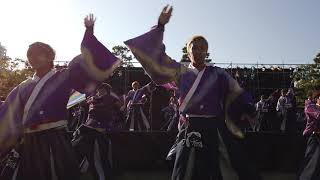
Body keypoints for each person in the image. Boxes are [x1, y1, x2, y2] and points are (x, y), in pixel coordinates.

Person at [124, 5, 261, 180]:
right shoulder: (179, 71)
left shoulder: (218, 73)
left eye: (201, 48)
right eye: (193, 47)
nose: (197, 51)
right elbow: (156, 58)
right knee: (184, 172)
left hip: (214, 128)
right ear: (188, 51)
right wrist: (160, 26)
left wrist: (248, 107)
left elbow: (236, 91)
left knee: (218, 170)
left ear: (206, 51)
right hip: (189, 128)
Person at [0, 14, 120, 180]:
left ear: (50, 57)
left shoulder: (64, 76)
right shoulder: (22, 87)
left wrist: (89, 32)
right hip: (28, 143)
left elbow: (88, 61)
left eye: (37, 53)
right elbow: (6, 113)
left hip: (54, 140)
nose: (32, 57)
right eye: (30, 54)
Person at [72, 83, 123, 180]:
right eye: (99, 89)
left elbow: (120, 108)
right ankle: (80, 167)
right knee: (82, 145)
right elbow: (82, 104)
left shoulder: (110, 98)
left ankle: (104, 173)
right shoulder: (92, 98)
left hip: (102, 129)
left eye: (103, 89)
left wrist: (115, 121)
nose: (100, 90)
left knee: (101, 152)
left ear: (107, 90)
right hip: (89, 127)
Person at [298, 87, 320, 180]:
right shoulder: (310, 106)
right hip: (311, 136)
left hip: (317, 136)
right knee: (309, 160)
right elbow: (318, 115)